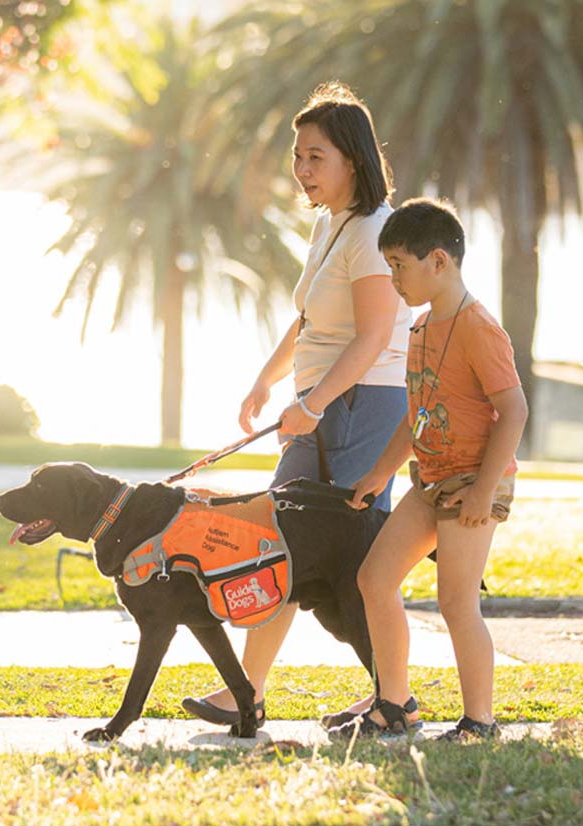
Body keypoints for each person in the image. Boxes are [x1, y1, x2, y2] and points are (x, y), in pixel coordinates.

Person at [182, 81, 412, 727]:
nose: (301, 170)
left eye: (315, 157)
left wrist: (310, 405)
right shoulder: (329, 224)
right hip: (318, 405)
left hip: (365, 406)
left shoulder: (373, 230)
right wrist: (266, 380)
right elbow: (310, 322)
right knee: (273, 538)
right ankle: (247, 691)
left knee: (355, 557)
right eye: (298, 156)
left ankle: (392, 696)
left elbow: (372, 338)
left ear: (352, 161)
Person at [332, 198, 528, 741]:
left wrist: (483, 493)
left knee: (456, 602)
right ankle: (393, 703)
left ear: (437, 261)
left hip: (472, 479)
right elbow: (414, 415)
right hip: (430, 477)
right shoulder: (420, 329)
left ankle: (479, 721)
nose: (392, 276)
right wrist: (379, 473)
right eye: (388, 265)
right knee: (374, 578)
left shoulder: (478, 328)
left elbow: (514, 411)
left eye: (399, 264)